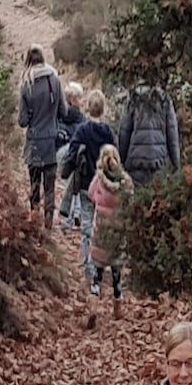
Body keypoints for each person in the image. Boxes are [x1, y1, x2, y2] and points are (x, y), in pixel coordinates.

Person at [65, 93, 116, 289]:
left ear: (87, 107)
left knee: (87, 226)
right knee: (101, 226)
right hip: (103, 187)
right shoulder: (108, 132)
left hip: (86, 185)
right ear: (103, 109)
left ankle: (89, 266)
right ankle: (102, 264)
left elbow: (71, 154)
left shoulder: (82, 130)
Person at [15, 46, 65, 227]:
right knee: (50, 186)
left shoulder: (26, 84)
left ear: (28, 60)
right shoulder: (55, 80)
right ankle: (48, 222)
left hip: (34, 142)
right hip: (51, 141)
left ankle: (34, 221)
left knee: (34, 183)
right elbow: (64, 111)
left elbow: (22, 121)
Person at [86, 144, 133, 301]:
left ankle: (95, 293)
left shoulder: (99, 180)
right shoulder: (125, 181)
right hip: (117, 230)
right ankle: (117, 298)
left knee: (98, 265)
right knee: (116, 267)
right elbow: (131, 200)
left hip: (101, 229)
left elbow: (91, 194)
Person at [117, 81, 181, 188]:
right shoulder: (164, 100)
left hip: (136, 163)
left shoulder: (133, 100)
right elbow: (172, 136)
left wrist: (120, 162)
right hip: (160, 163)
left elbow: (124, 134)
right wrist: (176, 165)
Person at [55, 84, 86, 231]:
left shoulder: (59, 114)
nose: (82, 100)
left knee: (76, 174)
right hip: (65, 155)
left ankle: (73, 214)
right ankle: (73, 213)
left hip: (70, 157)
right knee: (78, 164)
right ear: (73, 100)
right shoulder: (78, 118)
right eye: (80, 98)